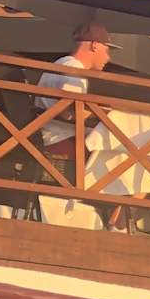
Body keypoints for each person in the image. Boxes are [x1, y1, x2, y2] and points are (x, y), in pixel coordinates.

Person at [36, 19, 113, 229]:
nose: (108, 57)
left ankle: (99, 217)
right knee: (117, 155)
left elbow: (69, 109)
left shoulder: (61, 63)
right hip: (60, 140)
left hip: (48, 136)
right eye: (107, 50)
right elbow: (70, 111)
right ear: (94, 45)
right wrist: (103, 114)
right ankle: (111, 222)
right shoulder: (74, 70)